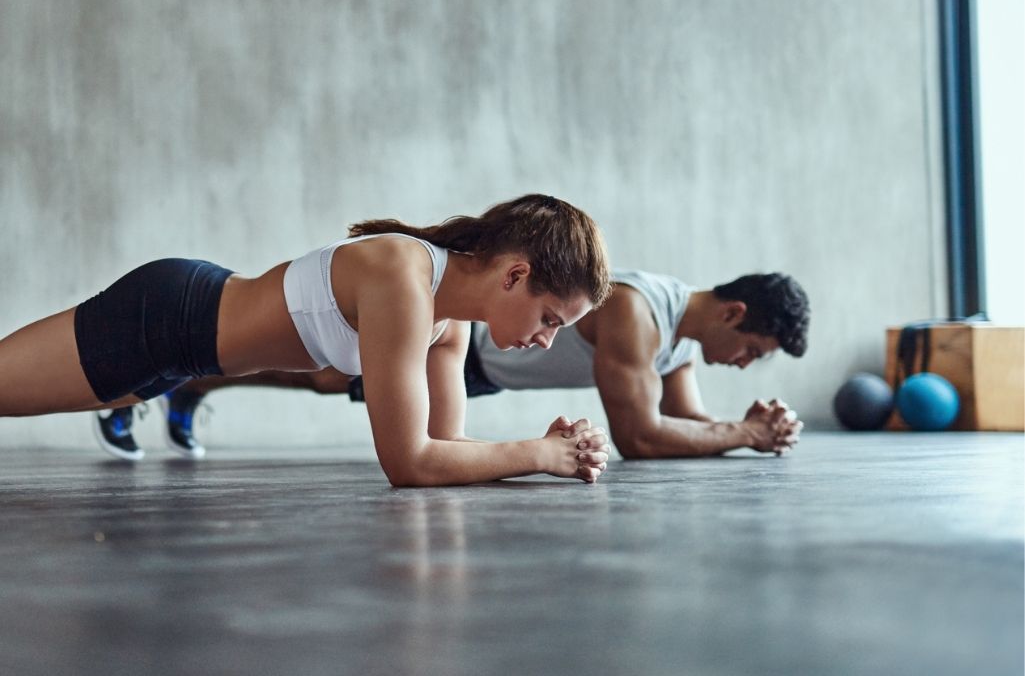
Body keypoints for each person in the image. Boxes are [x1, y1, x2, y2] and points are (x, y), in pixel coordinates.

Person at [0, 194, 616, 485]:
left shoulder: (447, 324)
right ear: (516, 275)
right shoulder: (403, 277)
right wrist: (538, 455)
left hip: (175, 360)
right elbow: (409, 463)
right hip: (163, 318)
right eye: (551, 319)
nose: (545, 340)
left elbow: (445, 447)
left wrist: (548, 448)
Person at [108, 270, 809, 459]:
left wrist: (750, 427)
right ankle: (176, 377)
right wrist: (742, 437)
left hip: (489, 367)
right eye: (752, 354)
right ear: (734, 316)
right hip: (471, 338)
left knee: (322, 378)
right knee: (319, 370)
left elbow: (684, 425)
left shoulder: (682, 342)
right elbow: (643, 439)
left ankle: (188, 383)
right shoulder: (636, 311)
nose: (744, 366)